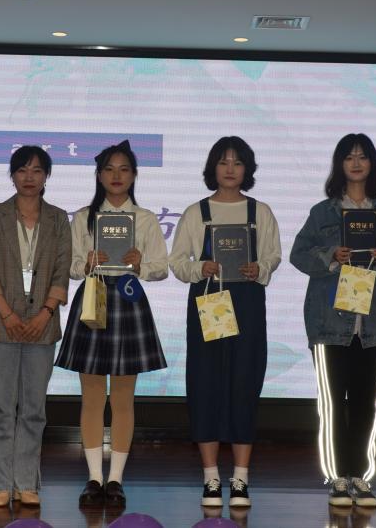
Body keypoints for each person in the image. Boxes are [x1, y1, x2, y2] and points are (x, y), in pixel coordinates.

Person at [289, 133, 376, 509]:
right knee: (333, 405)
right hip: (330, 322)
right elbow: (299, 254)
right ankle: (338, 478)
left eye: (363, 157)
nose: (356, 163)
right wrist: (332, 255)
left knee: (365, 404)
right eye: (349, 157)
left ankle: (359, 476)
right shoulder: (322, 213)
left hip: (373, 324)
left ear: (372, 163)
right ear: (339, 165)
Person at [168, 136, 281, 508]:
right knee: (206, 384)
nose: (230, 169)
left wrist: (259, 268)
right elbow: (177, 262)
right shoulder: (196, 212)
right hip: (209, 302)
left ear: (247, 169)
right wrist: (200, 267)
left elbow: (273, 256)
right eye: (223, 162)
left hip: (247, 302)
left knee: (245, 383)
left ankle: (241, 478)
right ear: (212, 168)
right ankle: (211, 477)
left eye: (237, 162)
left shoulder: (260, 211)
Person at [55, 140, 168, 508]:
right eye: (109, 169)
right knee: (91, 396)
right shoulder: (82, 217)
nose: (117, 176)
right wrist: (86, 263)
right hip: (93, 296)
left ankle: (116, 479)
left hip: (128, 299)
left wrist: (140, 264)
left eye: (124, 169)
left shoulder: (145, 218)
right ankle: (93, 477)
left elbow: (161, 269)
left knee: (122, 398)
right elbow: (71, 267)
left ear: (134, 175)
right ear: (99, 175)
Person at [0, 145, 72, 508]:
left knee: (33, 409)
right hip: (0, 324)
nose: (29, 177)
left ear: (47, 176)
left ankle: (27, 482)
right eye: (22, 170)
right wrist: (7, 314)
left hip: (42, 325)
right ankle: (0, 484)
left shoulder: (59, 219)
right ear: (12, 175)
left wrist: (45, 313)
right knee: (3, 409)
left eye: (36, 170)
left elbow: (62, 270)